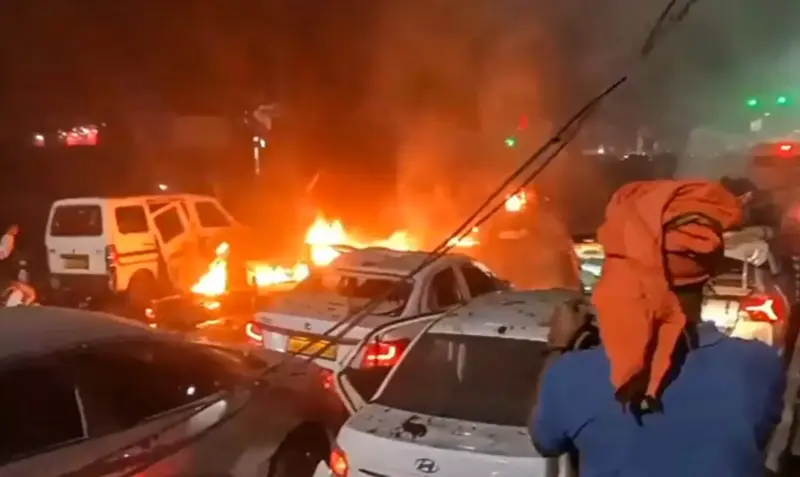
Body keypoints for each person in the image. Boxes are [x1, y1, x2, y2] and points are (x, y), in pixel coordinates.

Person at [531, 180, 785, 477]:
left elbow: (545, 441)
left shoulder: (572, 374)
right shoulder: (759, 365)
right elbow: (756, 442)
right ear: (710, 272)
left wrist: (557, 348)